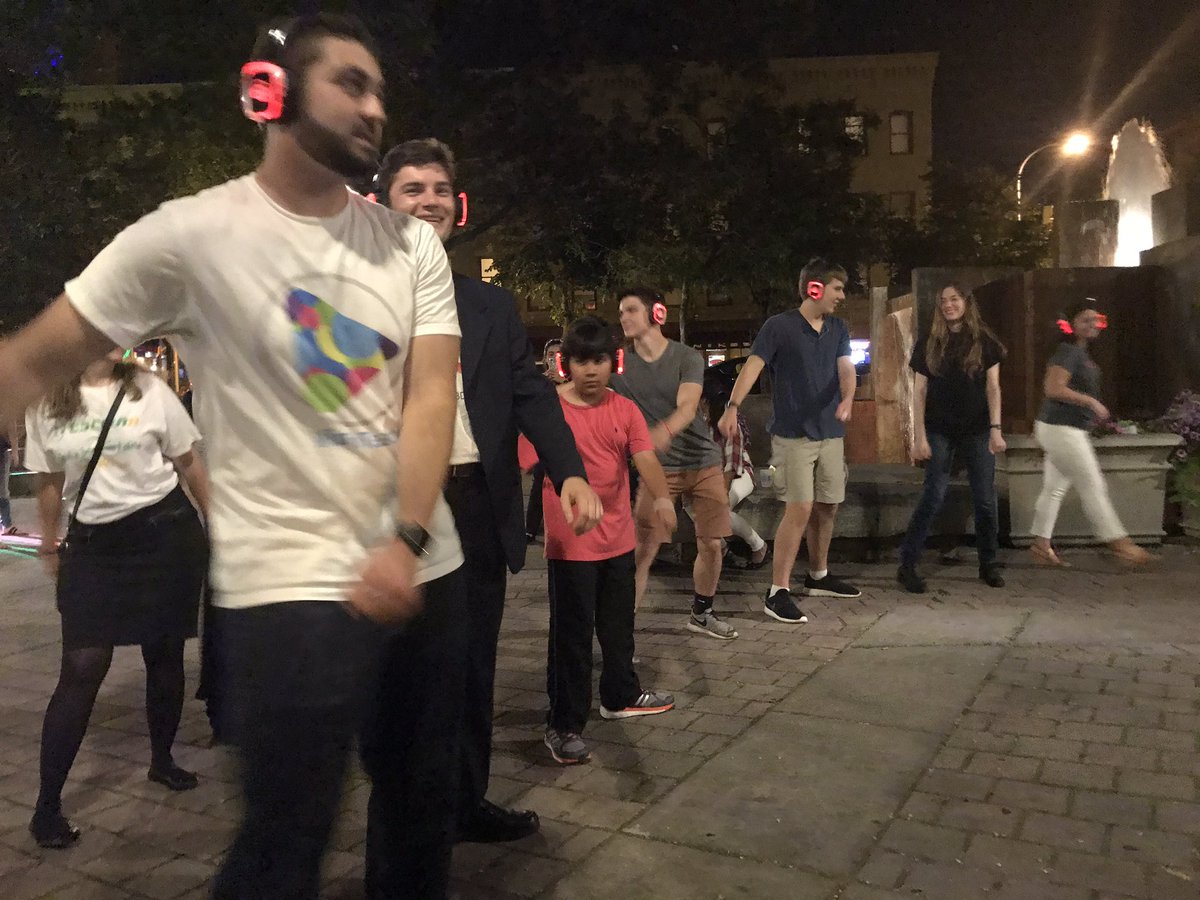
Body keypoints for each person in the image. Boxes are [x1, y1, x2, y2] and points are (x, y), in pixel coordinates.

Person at [0, 15, 466, 899]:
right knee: (283, 843)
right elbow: (27, 362)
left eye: (380, 90)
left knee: (417, 823)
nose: (374, 107)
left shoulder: (410, 245)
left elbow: (431, 396)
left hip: (423, 570)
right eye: (352, 85)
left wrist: (405, 538)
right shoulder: (190, 236)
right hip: (286, 590)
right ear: (272, 92)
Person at [376, 139, 601, 845]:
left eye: (439, 188)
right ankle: (406, 820)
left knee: (472, 668)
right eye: (411, 189)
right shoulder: (356, 297)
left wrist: (568, 472)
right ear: (383, 204)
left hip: (474, 506)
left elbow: (534, 397)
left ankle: (464, 802)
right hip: (388, 511)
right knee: (397, 676)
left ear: (457, 206)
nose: (428, 200)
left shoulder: (491, 306)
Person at [24, 351, 209, 848]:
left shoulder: (150, 389)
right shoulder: (48, 402)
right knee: (82, 666)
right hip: (94, 546)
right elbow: (48, 479)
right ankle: (47, 805)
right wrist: (48, 539)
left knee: (165, 652)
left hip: (164, 534)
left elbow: (187, 459)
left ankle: (162, 759)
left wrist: (219, 520)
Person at [519, 316, 676, 764]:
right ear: (565, 364)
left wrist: (662, 499)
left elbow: (643, 455)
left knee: (617, 626)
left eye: (599, 360)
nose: (591, 370)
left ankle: (620, 695)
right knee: (570, 637)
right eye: (581, 361)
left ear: (614, 363)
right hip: (571, 546)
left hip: (619, 539)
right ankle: (563, 723)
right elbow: (523, 460)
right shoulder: (549, 411)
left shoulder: (623, 409)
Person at [718, 258, 861, 626]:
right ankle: (777, 591)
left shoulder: (838, 328)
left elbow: (846, 368)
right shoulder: (778, 327)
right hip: (792, 435)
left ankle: (818, 575)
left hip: (830, 433)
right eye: (837, 288)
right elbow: (753, 366)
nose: (842, 295)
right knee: (799, 508)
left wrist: (847, 398)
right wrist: (733, 406)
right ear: (814, 288)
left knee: (828, 506)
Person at [612, 287, 738, 640]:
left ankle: (702, 612)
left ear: (656, 313)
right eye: (621, 312)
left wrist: (663, 430)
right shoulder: (620, 362)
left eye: (632, 310)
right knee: (642, 548)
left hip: (701, 461)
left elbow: (688, 406)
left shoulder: (686, 357)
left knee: (712, 543)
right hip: (657, 470)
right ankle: (623, 628)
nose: (624, 317)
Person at [897, 284, 1008, 593]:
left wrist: (996, 429)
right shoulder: (930, 342)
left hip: (977, 428)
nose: (949, 305)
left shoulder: (985, 341)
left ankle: (989, 564)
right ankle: (907, 564)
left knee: (985, 499)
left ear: (966, 303)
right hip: (939, 427)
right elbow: (918, 392)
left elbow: (993, 388)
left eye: (954, 299)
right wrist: (919, 436)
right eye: (943, 301)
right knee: (933, 495)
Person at [1029, 299, 1152, 567]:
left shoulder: (1080, 353)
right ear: (1072, 324)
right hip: (1062, 429)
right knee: (1092, 485)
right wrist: (1091, 402)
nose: (1093, 324)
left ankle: (1040, 545)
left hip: (1061, 428)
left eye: (1096, 319)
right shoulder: (1068, 352)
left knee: (1054, 489)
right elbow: (1053, 388)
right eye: (1085, 319)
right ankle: (1120, 544)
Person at [703, 381, 768, 568]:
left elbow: (732, 465)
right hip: (712, 476)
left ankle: (759, 546)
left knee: (717, 509)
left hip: (739, 473)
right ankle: (722, 548)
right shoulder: (700, 419)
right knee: (693, 505)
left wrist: (720, 493)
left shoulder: (728, 421)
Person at [525, 338, 567, 541]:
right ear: (544, 358)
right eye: (551, 355)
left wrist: (563, 383)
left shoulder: (572, 383)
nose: (554, 359)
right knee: (539, 483)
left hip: (566, 440)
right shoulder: (537, 382)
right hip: (543, 440)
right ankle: (530, 528)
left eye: (559, 355)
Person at [0, 420, 21, 535]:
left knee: (3, 489)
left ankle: (6, 524)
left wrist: (15, 450)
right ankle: (6, 523)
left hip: (2, 450)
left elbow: (11, 423)